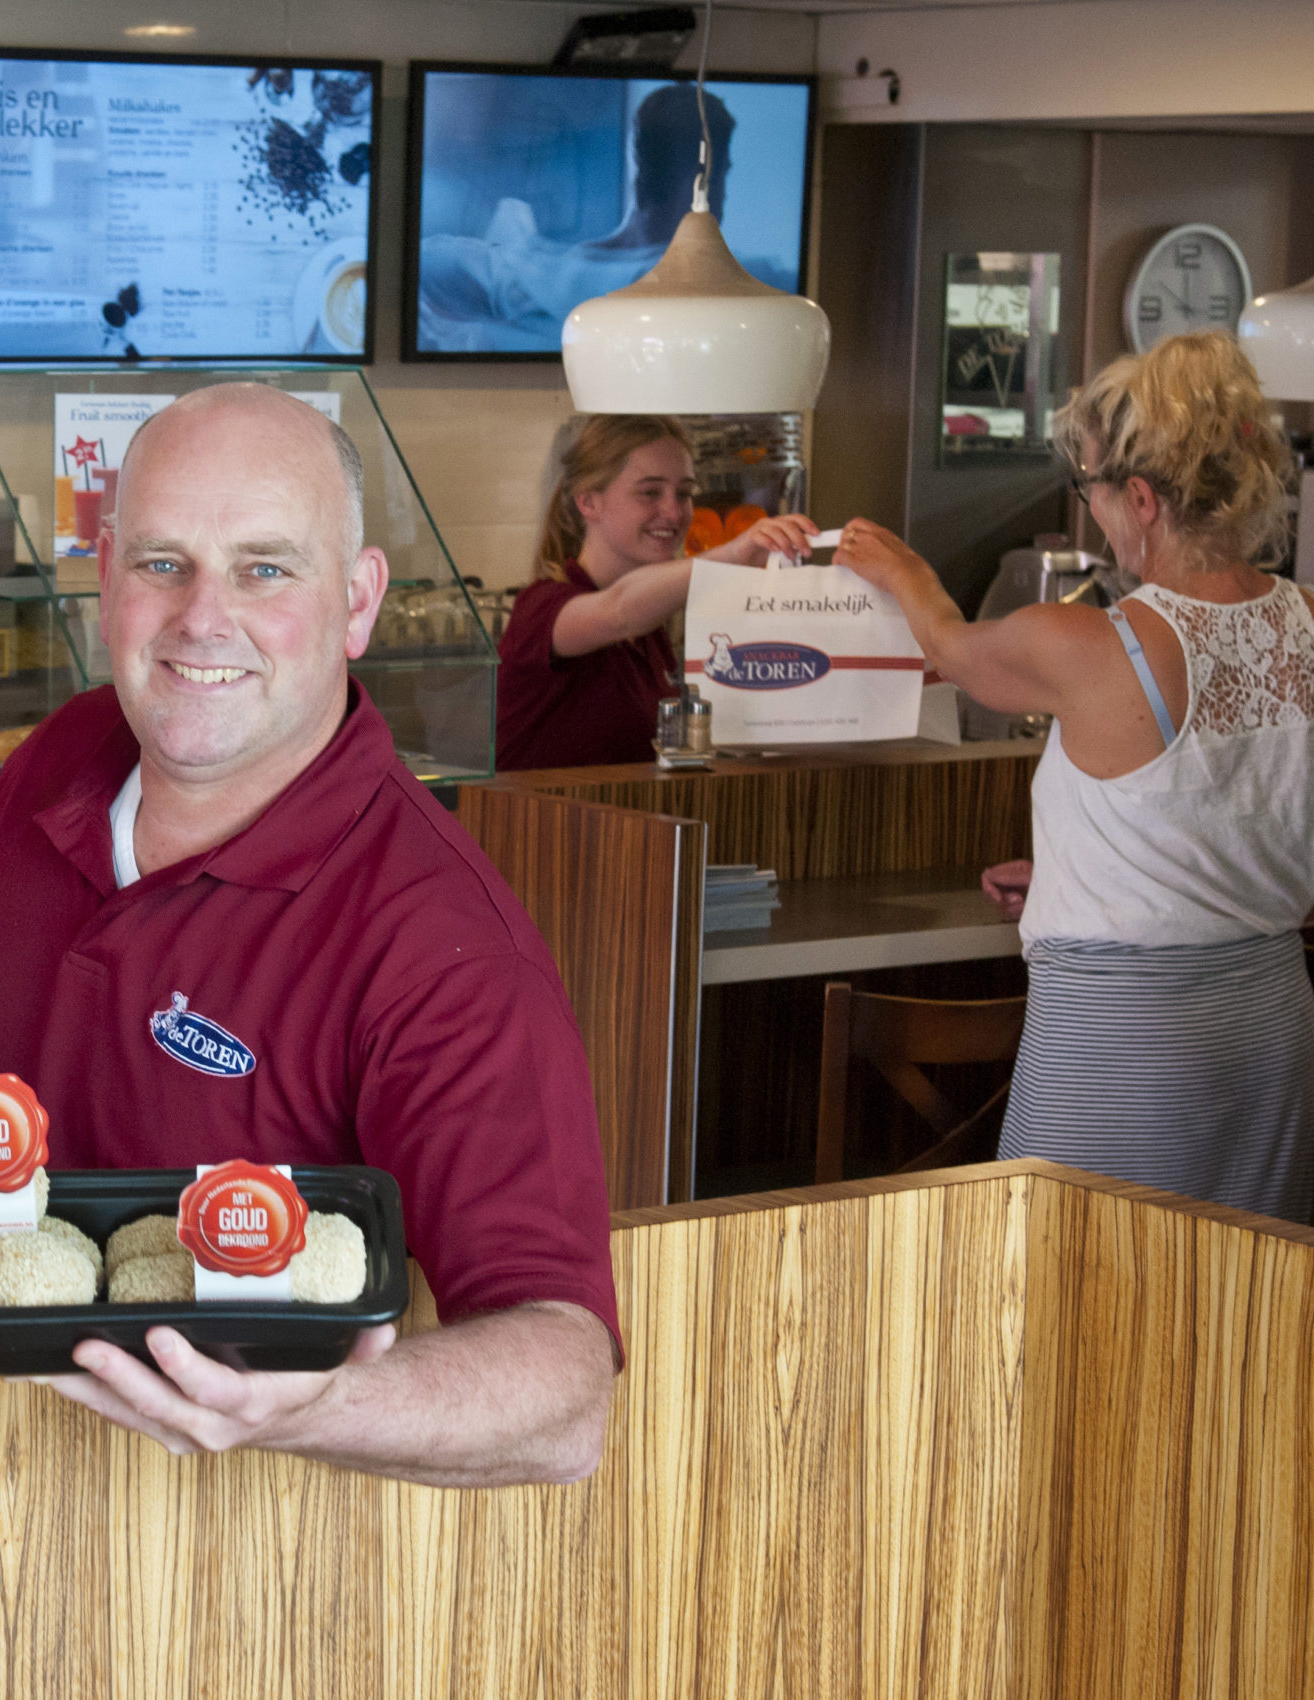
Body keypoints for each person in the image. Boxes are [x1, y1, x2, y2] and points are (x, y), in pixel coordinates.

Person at [0, 383, 620, 1486]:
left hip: (221, 1568)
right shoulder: (65, 751)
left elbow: (564, 1385)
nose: (200, 617)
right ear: (106, 576)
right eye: (161, 563)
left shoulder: (436, 942)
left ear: (358, 602)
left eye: (265, 567)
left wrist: (317, 1405)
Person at [834, 331, 1314, 1221]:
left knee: (1071, 1296)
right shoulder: (1306, 619)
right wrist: (1079, 871)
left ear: (1141, 499)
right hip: (1274, 1032)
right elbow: (1240, 807)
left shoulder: (1095, 642)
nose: (1090, 507)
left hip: (1127, 1042)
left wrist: (900, 569)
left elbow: (951, 648)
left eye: (1090, 486)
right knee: (1245, 1314)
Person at [497, 415, 814, 769]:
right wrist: (730, 555)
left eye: (684, 493)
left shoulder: (651, 630)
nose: (674, 511)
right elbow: (618, 611)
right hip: (531, 823)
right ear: (588, 501)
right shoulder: (541, 607)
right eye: (649, 492)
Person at [416, 87, 787, 353]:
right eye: (723, 176)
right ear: (705, 181)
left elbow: (421, 264)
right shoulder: (741, 281)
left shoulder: (528, 273)